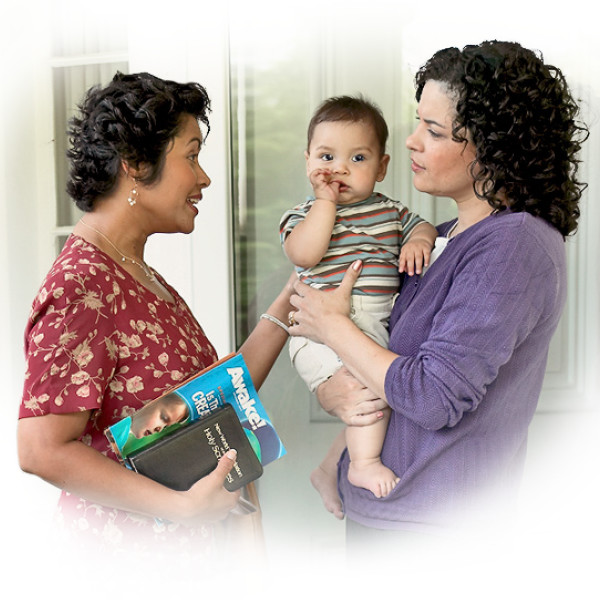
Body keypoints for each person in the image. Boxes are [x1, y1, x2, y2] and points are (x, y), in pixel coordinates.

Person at [286, 41, 588, 546]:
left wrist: (332, 327)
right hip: (390, 510)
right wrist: (336, 447)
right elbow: (392, 360)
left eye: (433, 130)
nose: (409, 142)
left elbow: (431, 396)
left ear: (491, 147)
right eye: (417, 122)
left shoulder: (513, 246)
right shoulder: (440, 237)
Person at [17, 72, 294, 556]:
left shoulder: (138, 276)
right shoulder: (83, 284)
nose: (204, 177)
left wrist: (295, 297)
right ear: (136, 163)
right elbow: (41, 449)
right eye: (191, 155)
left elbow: (216, 394)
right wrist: (182, 508)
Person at [279, 96, 437, 505]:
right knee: (365, 396)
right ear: (308, 160)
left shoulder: (391, 212)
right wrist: (325, 204)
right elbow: (303, 255)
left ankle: (329, 466)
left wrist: (417, 243)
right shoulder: (304, 214)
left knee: (374, 395)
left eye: (358, 158)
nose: (339, 169)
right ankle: (361, 464)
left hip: (371, 326)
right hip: (317, 332)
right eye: (327, 156)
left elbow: (425, 228)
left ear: (381, 167)